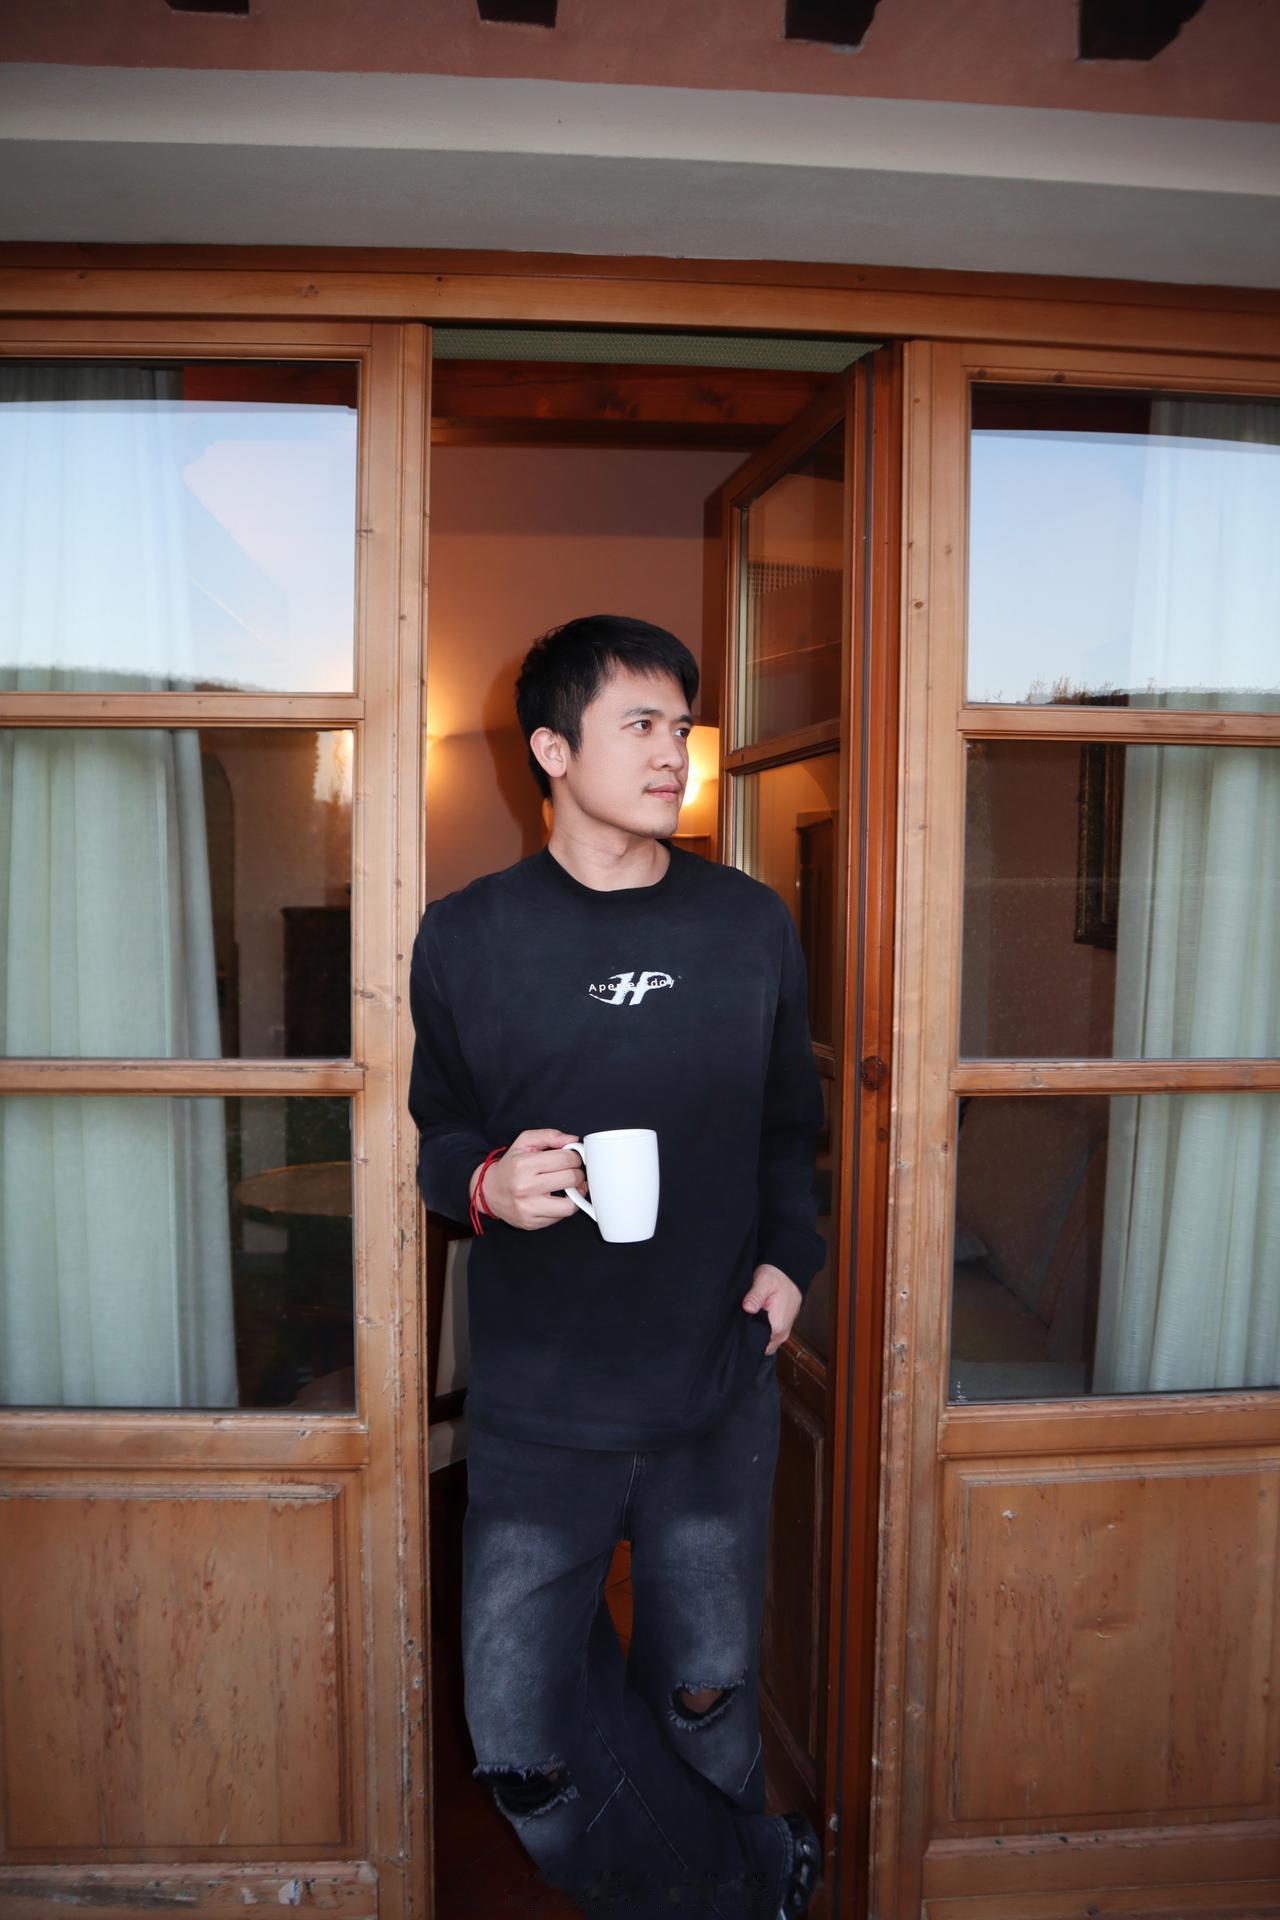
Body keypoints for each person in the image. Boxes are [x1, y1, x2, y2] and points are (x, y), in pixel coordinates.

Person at [408, 614, 826, 1919]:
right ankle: (751, 1875)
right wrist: (485, 1184)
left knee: (703, 1700)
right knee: (520, 1742)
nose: (672, 754)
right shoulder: (466, 935)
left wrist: (792, 1261)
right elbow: (435, 1134)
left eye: (680, 728)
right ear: (552, 749)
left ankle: (725, 1884)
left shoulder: (747, 923)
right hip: (540, 1404)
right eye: (639, 724)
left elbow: (790, 1130)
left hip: (713, 1384)